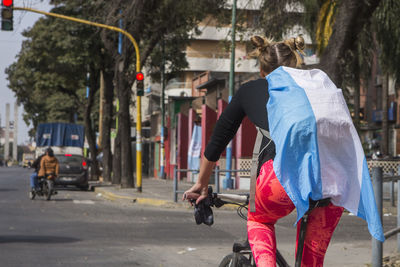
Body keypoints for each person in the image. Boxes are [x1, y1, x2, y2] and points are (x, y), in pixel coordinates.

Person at [183, 35, 383, 266]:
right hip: (334, 180)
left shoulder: (253, 89)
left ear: (261, 70)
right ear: (295, 64)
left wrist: (201, 184)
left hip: (279, 181)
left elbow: (218, 141)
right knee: (312, 261)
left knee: (259, 221)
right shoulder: (318, 87)